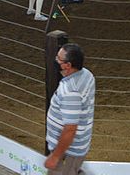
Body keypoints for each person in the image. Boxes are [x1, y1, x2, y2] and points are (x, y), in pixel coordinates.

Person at [44, 43, 95, 175]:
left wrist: (55, 156)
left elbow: (70, 129)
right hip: (75, 147)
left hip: (67, 152)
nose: (55, 60)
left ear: (67, 65)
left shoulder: (70, 91)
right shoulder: (87, 75)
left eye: (58, 59)